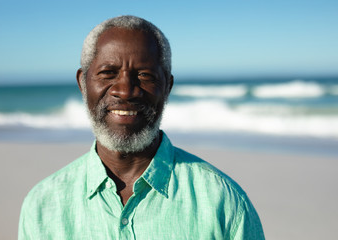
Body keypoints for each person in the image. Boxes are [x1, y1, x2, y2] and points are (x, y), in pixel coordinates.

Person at [18, 15, 265, 239]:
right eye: (108, 73)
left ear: (167, 87)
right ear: (83, 83)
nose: (125, 91)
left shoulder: (223, 201)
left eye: (145, 75)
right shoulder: (42, 205)